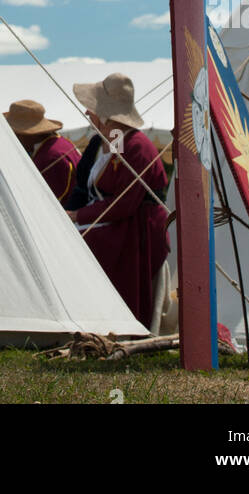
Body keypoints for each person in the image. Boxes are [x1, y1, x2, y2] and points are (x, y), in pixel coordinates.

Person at [65, 73, 169, 329]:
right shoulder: (98, 144)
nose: (88, 113)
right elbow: (82, 187)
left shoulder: (137, 147)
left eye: (93, 110)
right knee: (62, 235)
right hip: (106, 219)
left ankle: (107, 322)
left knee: (82, 243)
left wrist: (78, 217)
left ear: (106, 115)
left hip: (134, 227)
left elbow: (124, 204)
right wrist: (67, 212)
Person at [2, 100, 81, 202]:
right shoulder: (61, 142)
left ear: (27, 134)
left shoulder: (49, 158)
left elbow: (47, 202)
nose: (14, 137)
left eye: (15, 133)